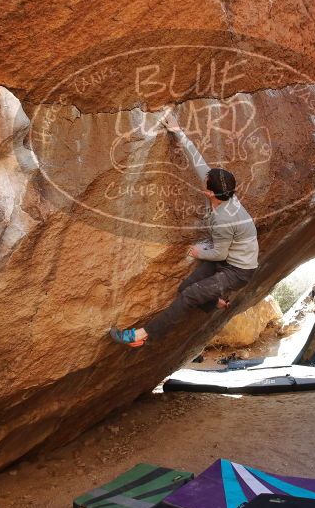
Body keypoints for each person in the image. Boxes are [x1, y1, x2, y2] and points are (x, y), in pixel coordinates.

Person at [108, 111, 259, 347]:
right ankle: (215, 302)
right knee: (185, 287)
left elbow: (219, 253)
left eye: (206, 180)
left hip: (238, 270)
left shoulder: (224, 219)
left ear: (209, 192)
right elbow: (200, 166)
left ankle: (142, 335)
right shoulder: (224, 194)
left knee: (189, 296)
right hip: (228, 256)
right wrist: (178, 132)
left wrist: (197, 253)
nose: (204, 176)